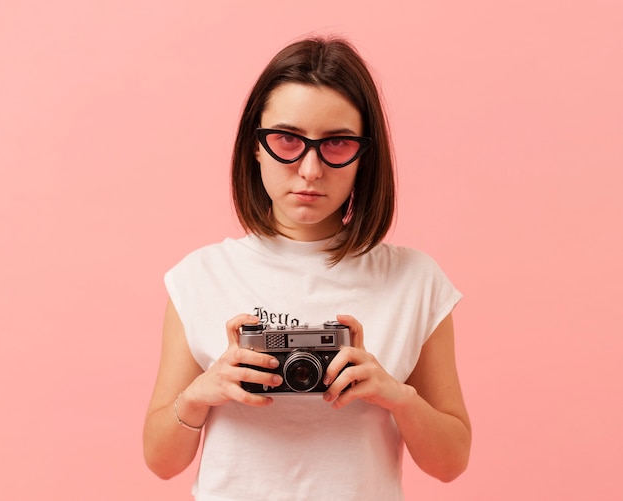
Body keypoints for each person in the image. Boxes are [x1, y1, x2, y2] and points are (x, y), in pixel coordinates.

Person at [143, 35, 471, 500]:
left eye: (337, 143)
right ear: (254, 146)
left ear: (365, 154)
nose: (311, 169)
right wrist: (202, 392)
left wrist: (394, 394)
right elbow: (160, 462)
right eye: (286, 140)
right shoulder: (200, 277)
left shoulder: (415, 281)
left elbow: (450, 463)